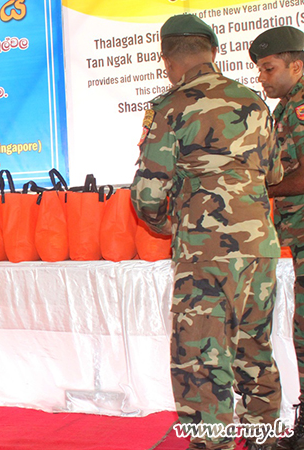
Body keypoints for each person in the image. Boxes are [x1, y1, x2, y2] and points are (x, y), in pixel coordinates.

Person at [130, 14, 283, 450]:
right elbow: (271, 173)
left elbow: (147, 193)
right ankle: (262, 440)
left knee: (201, 359)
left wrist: (168, 225)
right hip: (260, 247)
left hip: (206, 249)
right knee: (253, 347)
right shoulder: (254, 102)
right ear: (213, 52)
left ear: (167, 61)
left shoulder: (169, 106)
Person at [249, 26, 304, 449]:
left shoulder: (301, 105)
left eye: (269, 68)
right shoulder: (287, 106)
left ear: (296, 65)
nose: (262, 78)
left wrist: (256, 190)